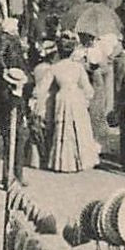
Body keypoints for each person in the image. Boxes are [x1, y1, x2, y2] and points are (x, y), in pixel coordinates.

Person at [35, 35, 98, 173]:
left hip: (62, 97)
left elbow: (41, 89)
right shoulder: (78, 67)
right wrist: (87, 98)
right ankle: (81, 161)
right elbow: (88, 89)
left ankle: (62, 163)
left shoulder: (55, 68)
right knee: (79, 128)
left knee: (63, 129)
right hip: (76, 97)